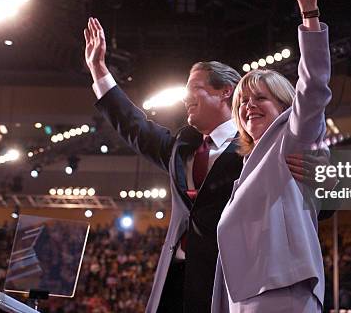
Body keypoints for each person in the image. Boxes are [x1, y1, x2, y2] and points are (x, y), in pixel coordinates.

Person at [83, 18, 331, 311]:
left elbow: (315, 205)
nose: (186, 97)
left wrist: (326, 183)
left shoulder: (261, 149)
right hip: (174, 282)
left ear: (225, 91)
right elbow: (133, 125)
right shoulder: (181, 148)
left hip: (229, 283)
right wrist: (99, 71)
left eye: (194, 87)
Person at [212, 0, 330, 312]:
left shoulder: (289, 138)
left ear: (282, 104)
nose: (248, 106)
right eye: (242, 102)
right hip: (248, 300)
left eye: (259, 98)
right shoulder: (247, 165)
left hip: (282, 292)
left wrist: (309, 14)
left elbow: (313, 91)